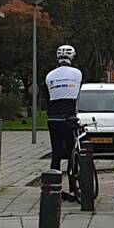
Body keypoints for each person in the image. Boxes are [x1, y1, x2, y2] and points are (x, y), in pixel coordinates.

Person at [46, 44, 83, 202]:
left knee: (56, 153)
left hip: (53, 118)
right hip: (68, 117)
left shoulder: (49, 75)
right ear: (72, 57)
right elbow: (77, 94)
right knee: (71, 153)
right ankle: (73, 190)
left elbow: (49, 95)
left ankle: (53, 189)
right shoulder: (77, 73)